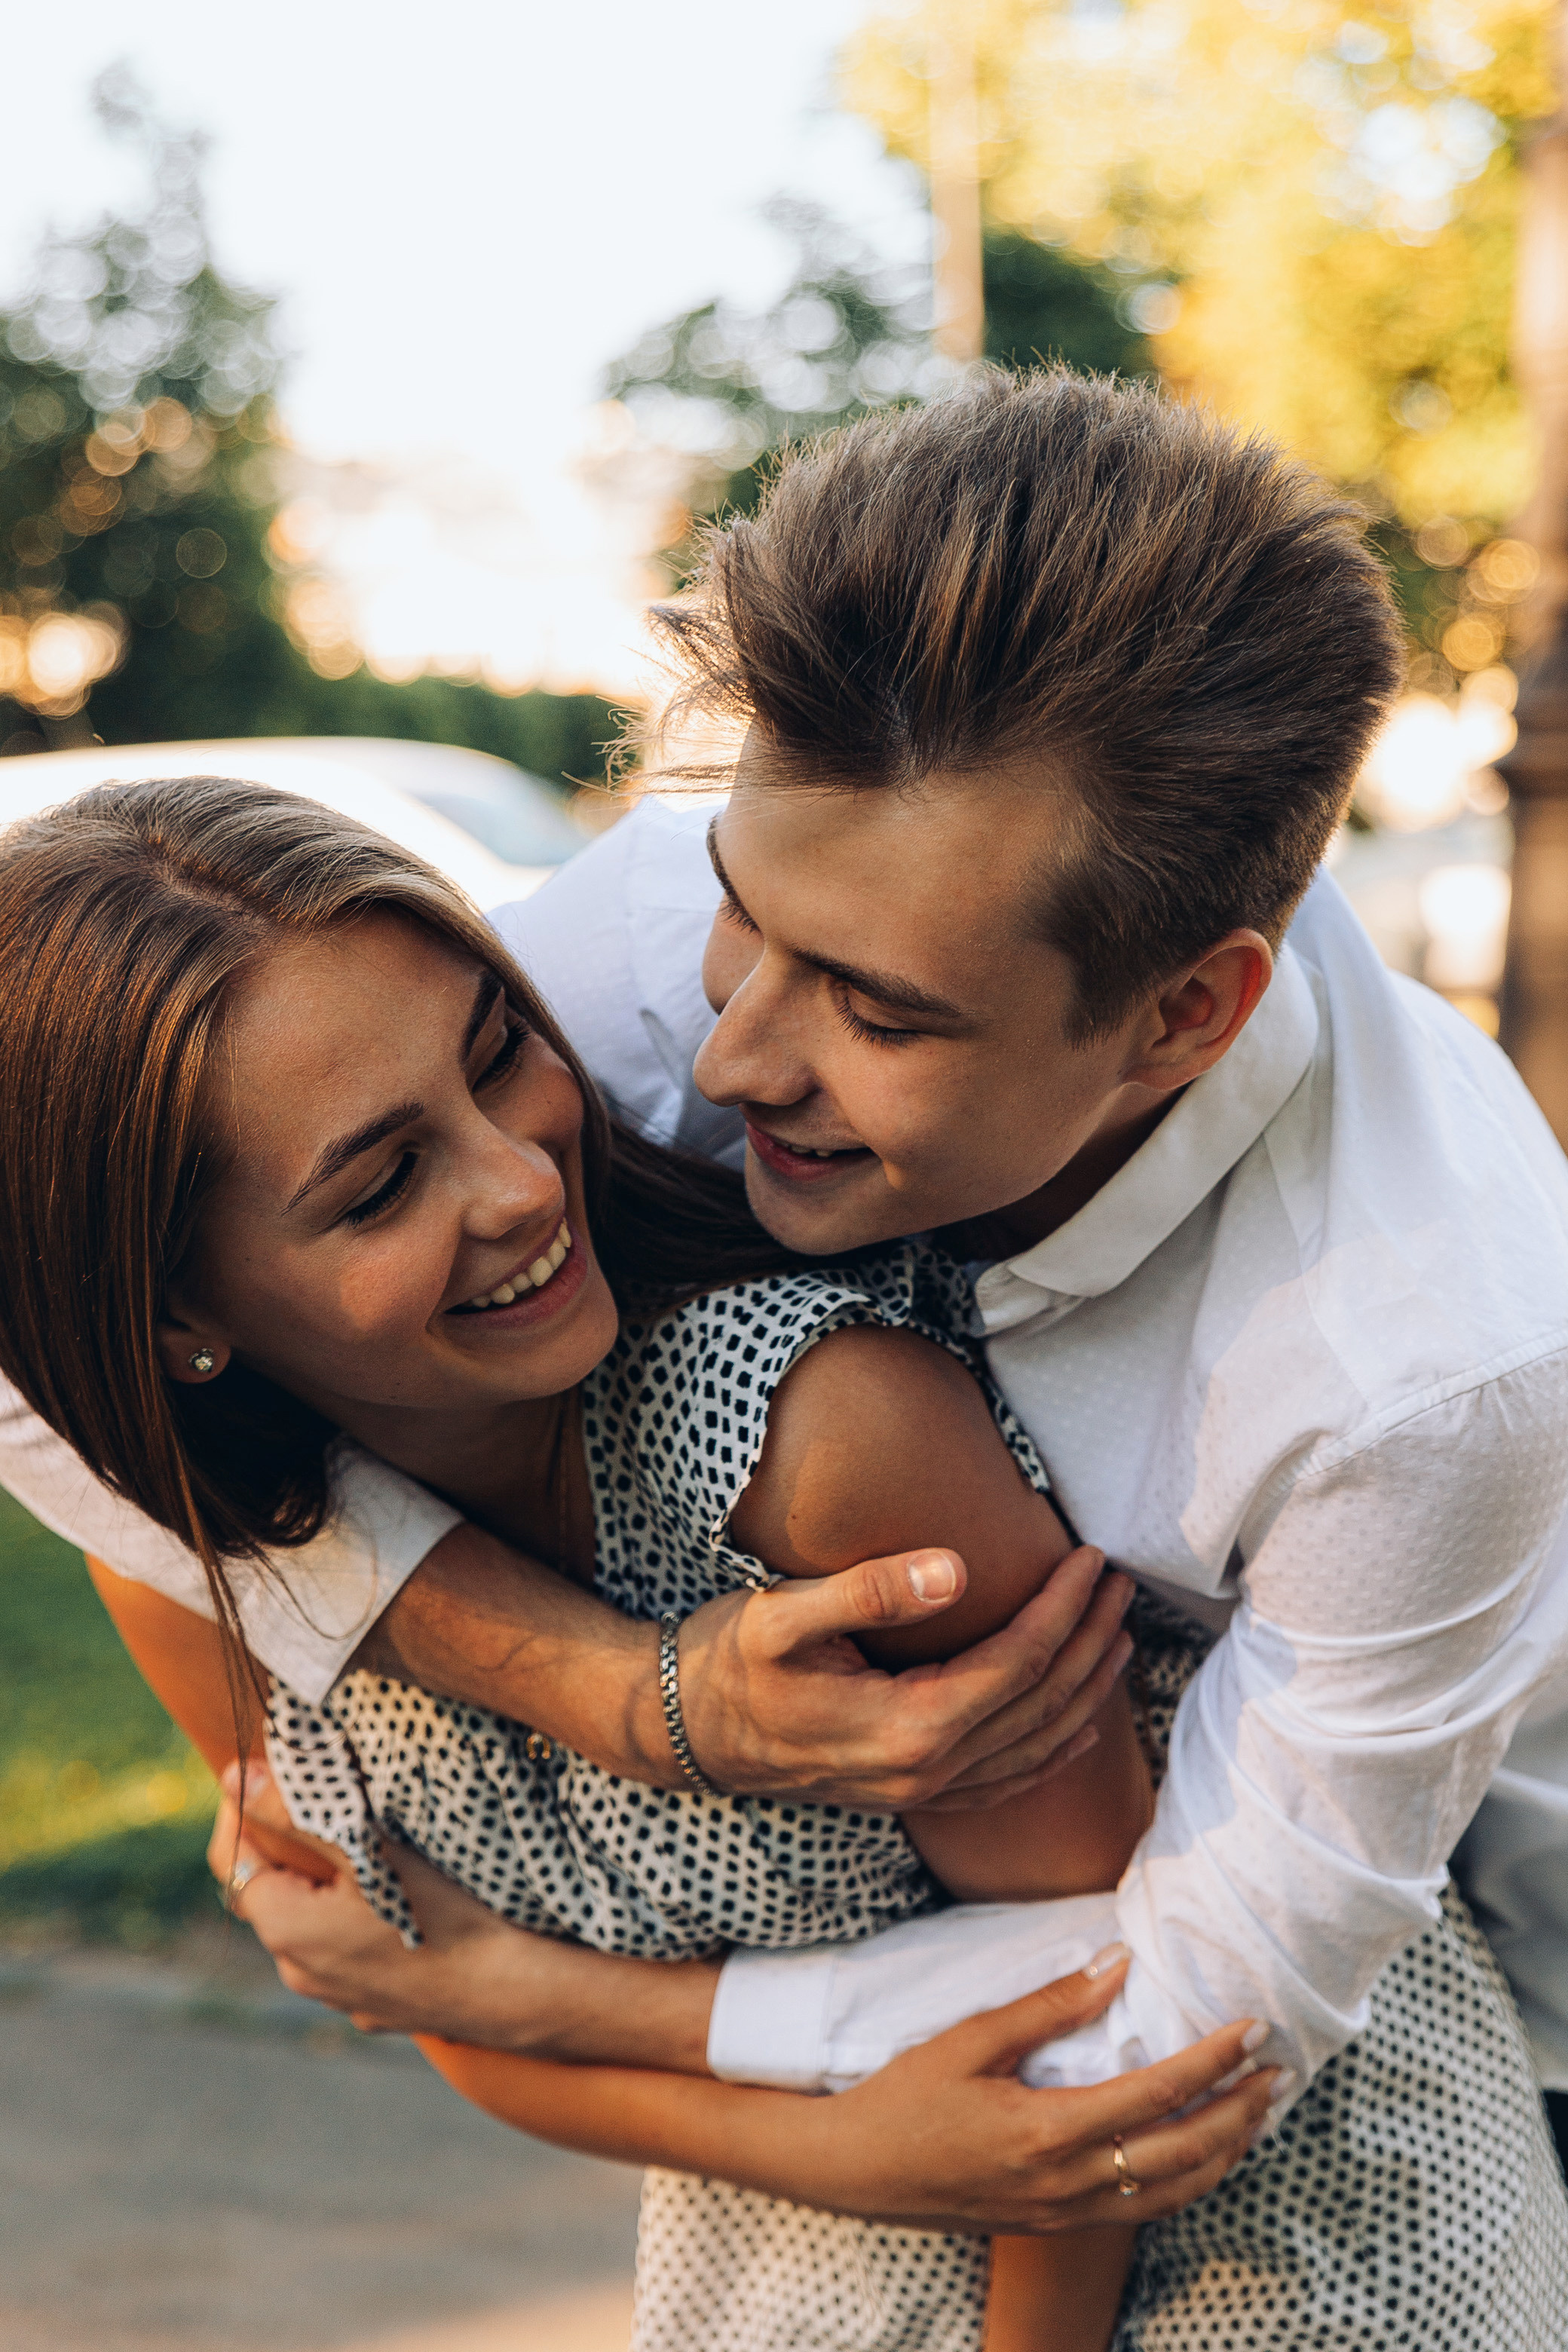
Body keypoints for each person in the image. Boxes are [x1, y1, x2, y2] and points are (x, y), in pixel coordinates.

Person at [5, 369, 1568, 2338]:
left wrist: (536, 1997)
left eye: (879, 1015)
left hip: (1372, 2087)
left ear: (1179, 1020)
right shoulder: (660, 949)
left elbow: (1179, 2023)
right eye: (747, 920)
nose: (720, 1063)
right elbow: (53, 1319)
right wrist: (627, 1697)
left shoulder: (1420, 1364)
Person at [0, 772, 1276, 2352]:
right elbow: (431, 2002)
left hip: (1219, 2243)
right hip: (794, 2252)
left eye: (496, 1056)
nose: (524, 1178)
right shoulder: (199, 1577)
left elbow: (1102, 2010)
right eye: (383, 1182)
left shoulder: (818, 1446)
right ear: (180, 1315)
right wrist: (827, 2149)